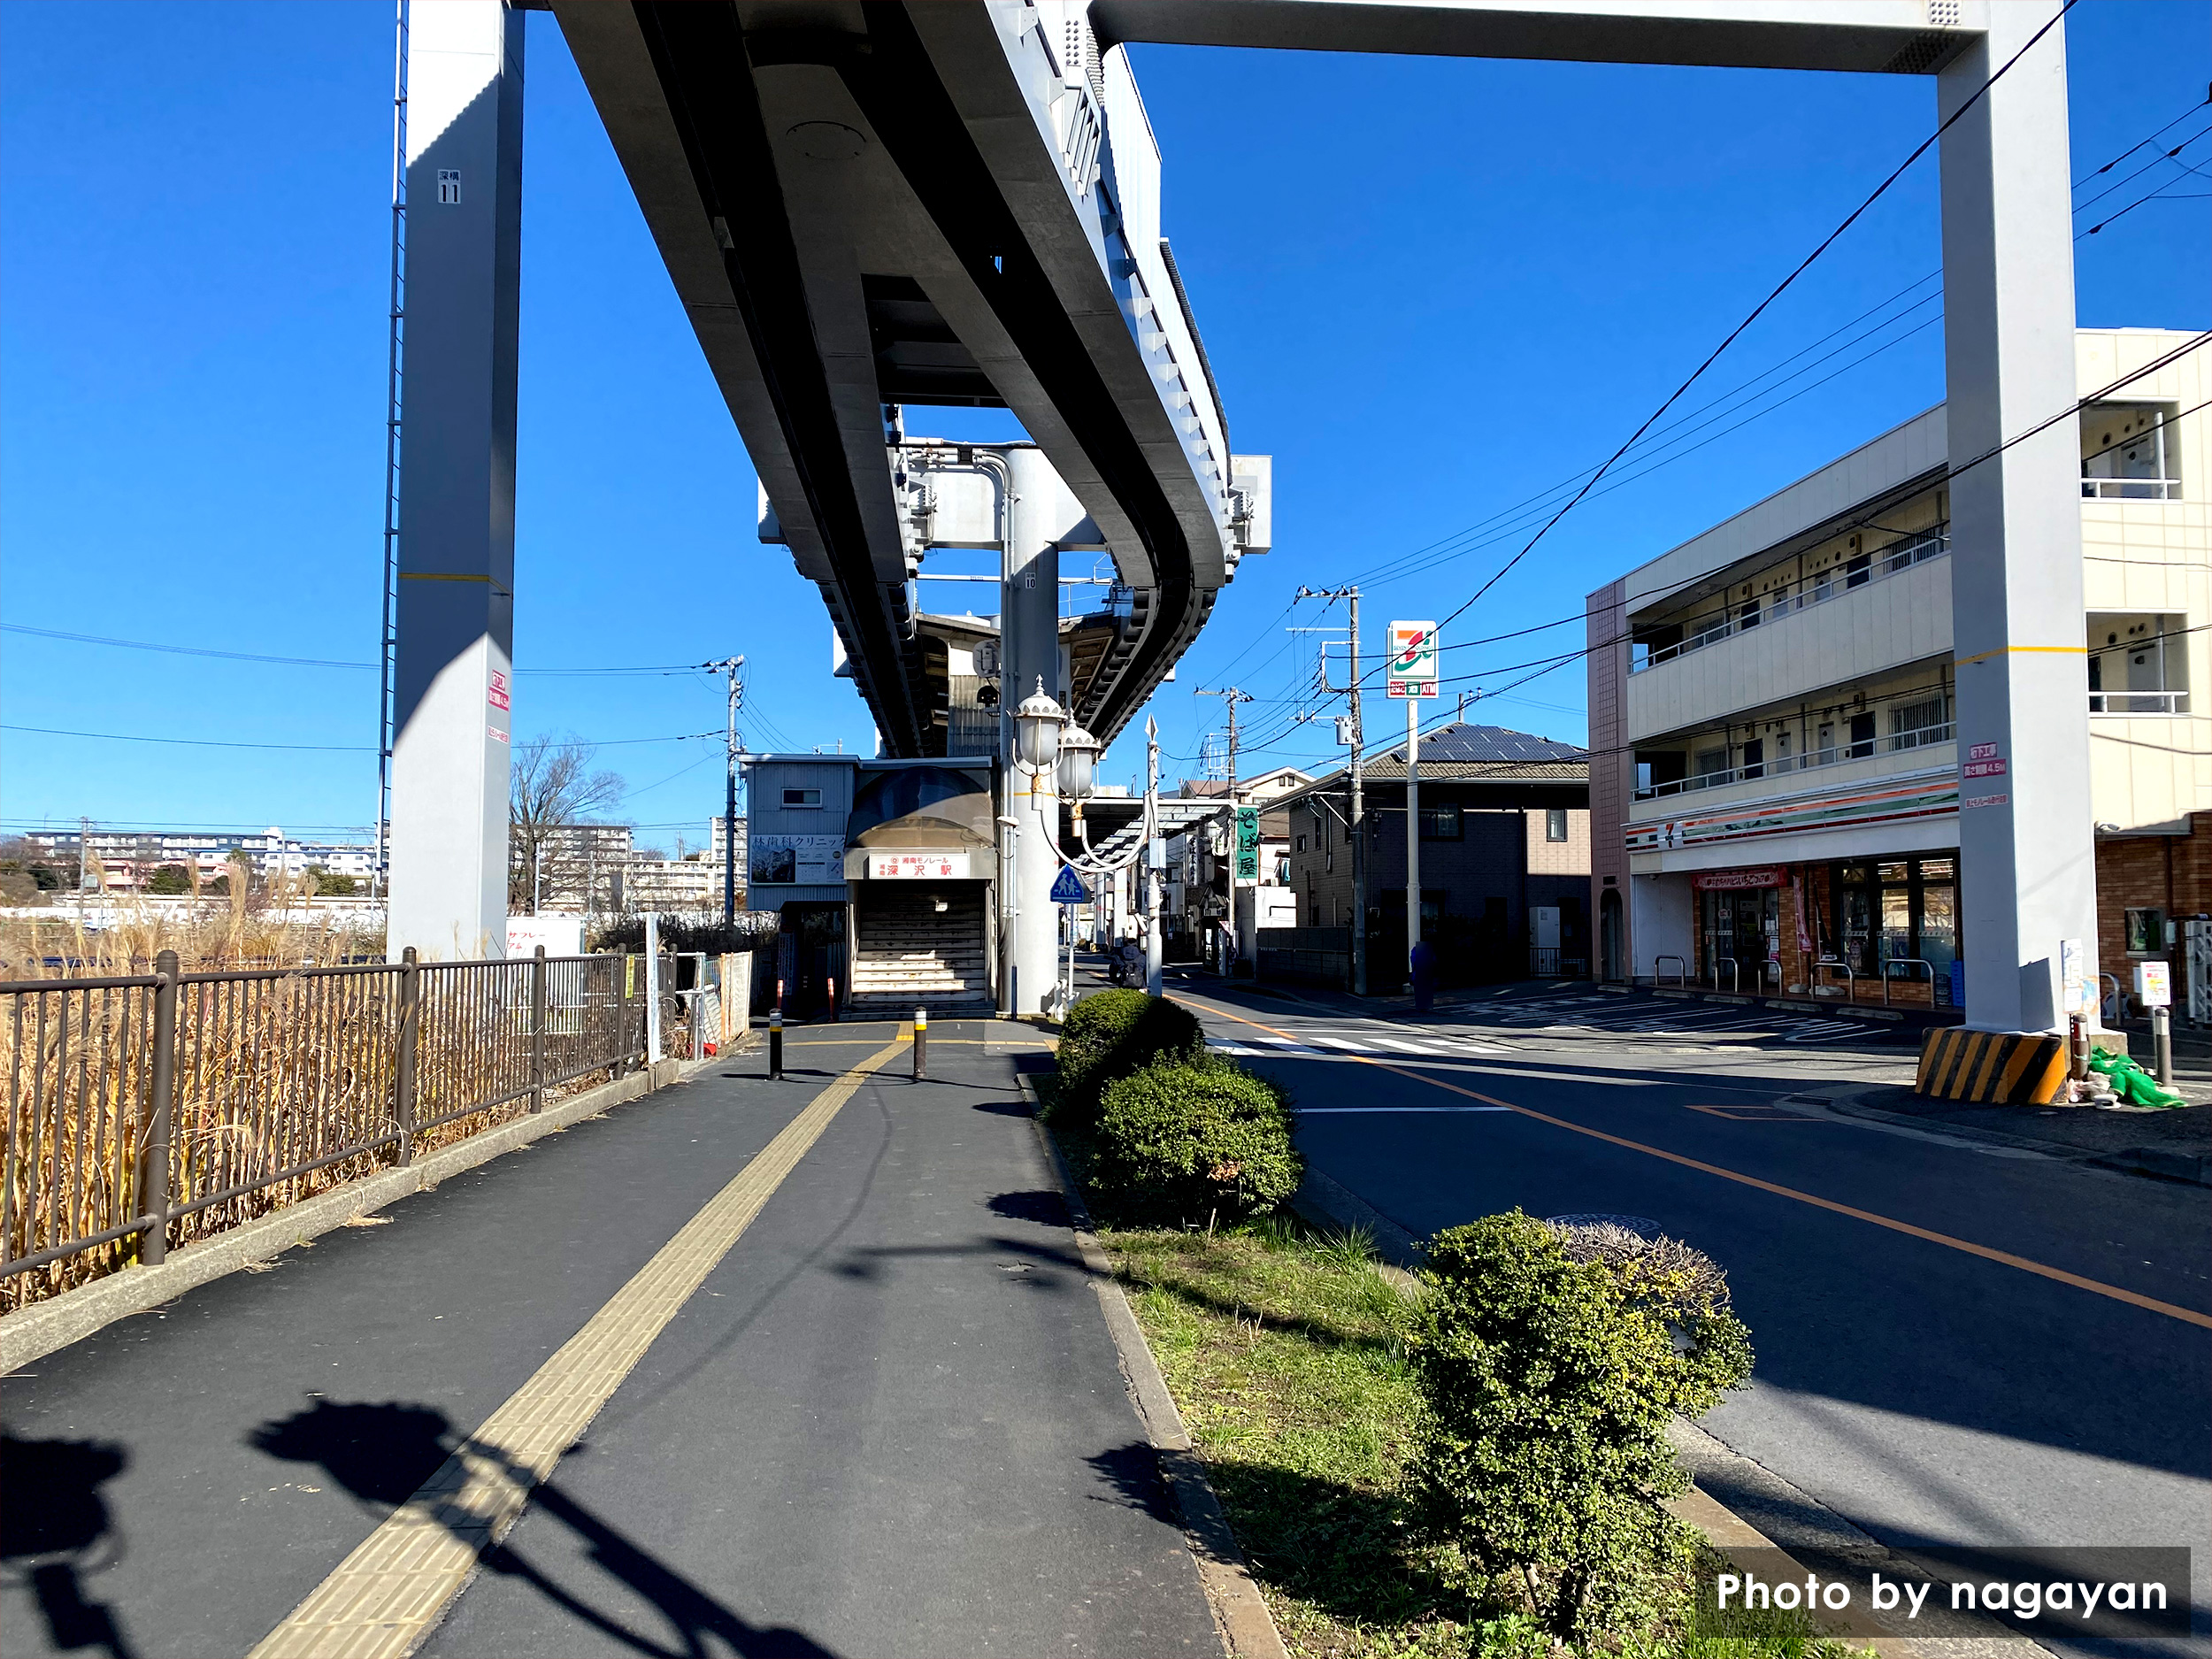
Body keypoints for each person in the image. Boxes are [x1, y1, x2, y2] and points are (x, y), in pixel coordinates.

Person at [1409, 936, 1437, 1014]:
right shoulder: (1428, 951)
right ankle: (1425, 1004)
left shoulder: (1415, 950)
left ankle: (1420, 1005)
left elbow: (1413, 961)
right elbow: (1433, 960)